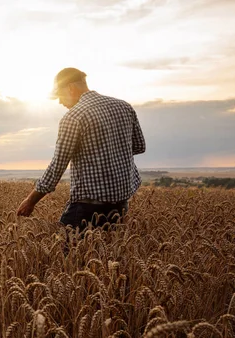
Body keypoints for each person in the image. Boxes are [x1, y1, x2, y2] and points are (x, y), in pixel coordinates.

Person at [16, 67, 146, 235]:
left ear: (70, 88)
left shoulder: (74, 117)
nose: (60, 102)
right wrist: (111, 153)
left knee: (67, 257)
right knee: (105, 254)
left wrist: (30, 200)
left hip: (87, 207)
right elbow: (139, 146)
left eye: (60, 96)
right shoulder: (124, 107)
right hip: (121, 204)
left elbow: (57, 166)